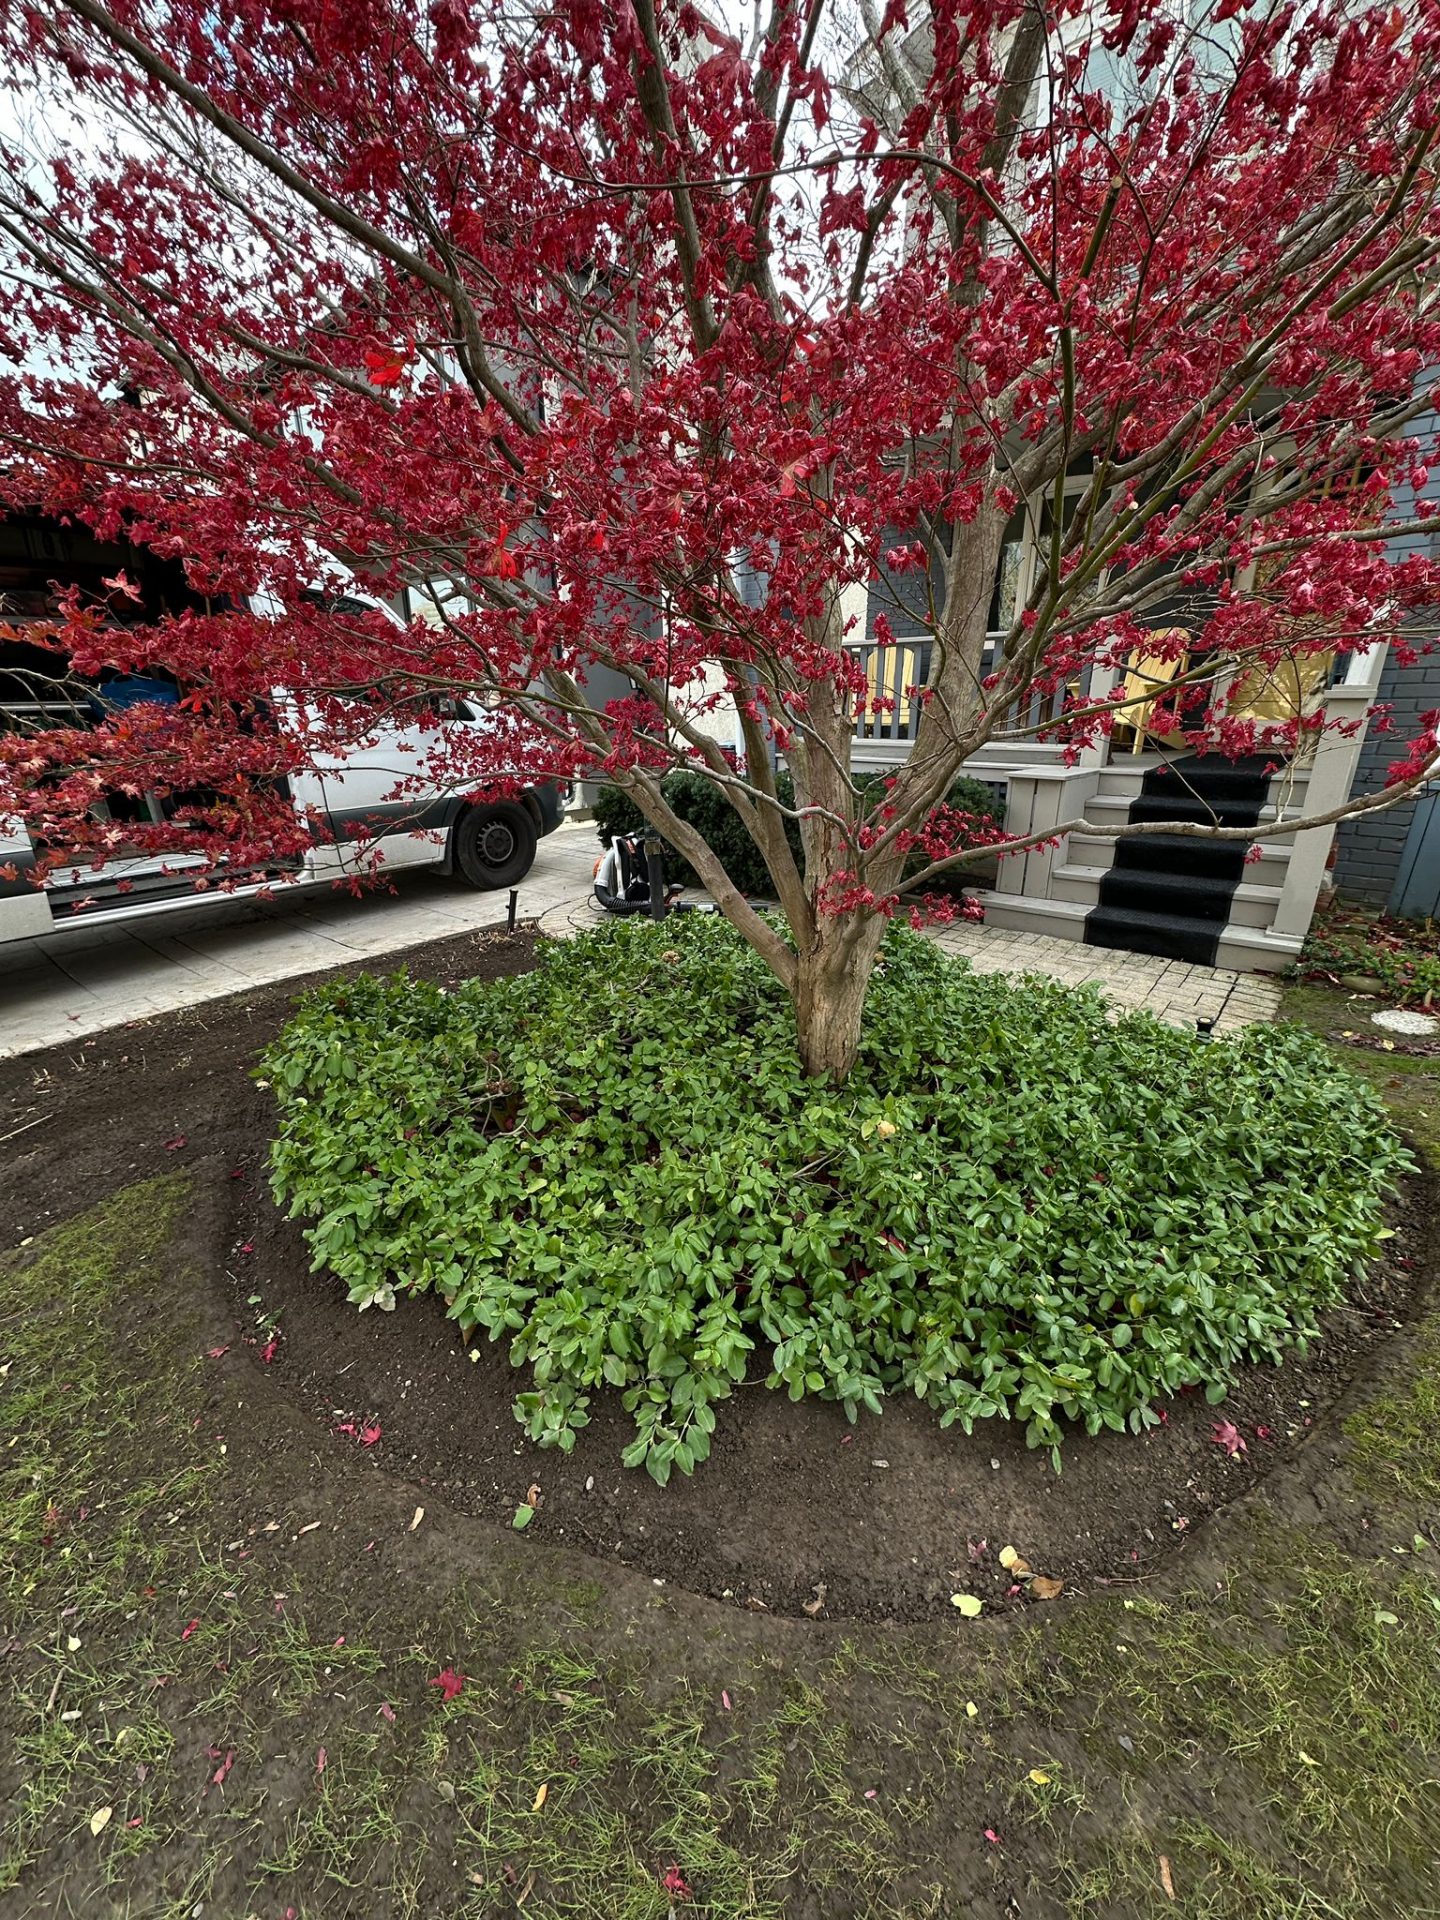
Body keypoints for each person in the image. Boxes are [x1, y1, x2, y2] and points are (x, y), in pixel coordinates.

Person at [592, 832, 685, 915]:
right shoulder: (609, 856)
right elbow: (601, 891)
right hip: (622, 900)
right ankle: (650, 906)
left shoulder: (642, 847)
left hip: (637, 896)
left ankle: (651, 905)